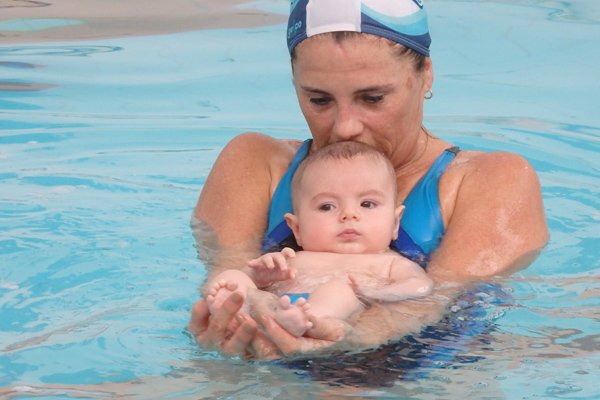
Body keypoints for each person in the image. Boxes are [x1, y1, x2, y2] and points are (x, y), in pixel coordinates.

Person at [188, 0, 548, 359]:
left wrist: (338, 337)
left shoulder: (490, 180)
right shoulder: (256, 162)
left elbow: (435, 301)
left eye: (372, 98)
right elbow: (227, 277)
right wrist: (231, 317)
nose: (345, 126)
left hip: (427, 376)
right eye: (319, 99)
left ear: (426, 74)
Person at [204, 142, 433, 338]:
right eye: (327, 207)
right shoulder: (293, 258)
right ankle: (234, 310)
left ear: (395, 223)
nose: (349, 215)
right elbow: (254, 279)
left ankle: (310, 320)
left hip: (329, 314)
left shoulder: (390, 263)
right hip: (276, 306)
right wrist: (259, 273)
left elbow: (421, 285)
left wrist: (377, 293)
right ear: (297, 229)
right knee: (232, 277)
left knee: (339, 290)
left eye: (367, 204)